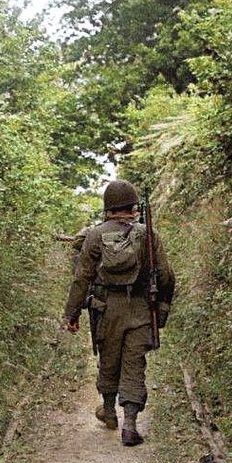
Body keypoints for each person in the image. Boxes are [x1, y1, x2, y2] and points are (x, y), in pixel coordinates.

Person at [63, 179, 175, 446]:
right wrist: (161, 310)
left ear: (108, 208)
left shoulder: (94, 235)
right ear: (133, 207)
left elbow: (82, 278)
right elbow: (167, 276)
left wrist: (72, 313)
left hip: (106, 309)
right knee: (135, 364)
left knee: (108, 359)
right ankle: (131, 426)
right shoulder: (148, 235)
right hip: (140, 309)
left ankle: (109, 411)